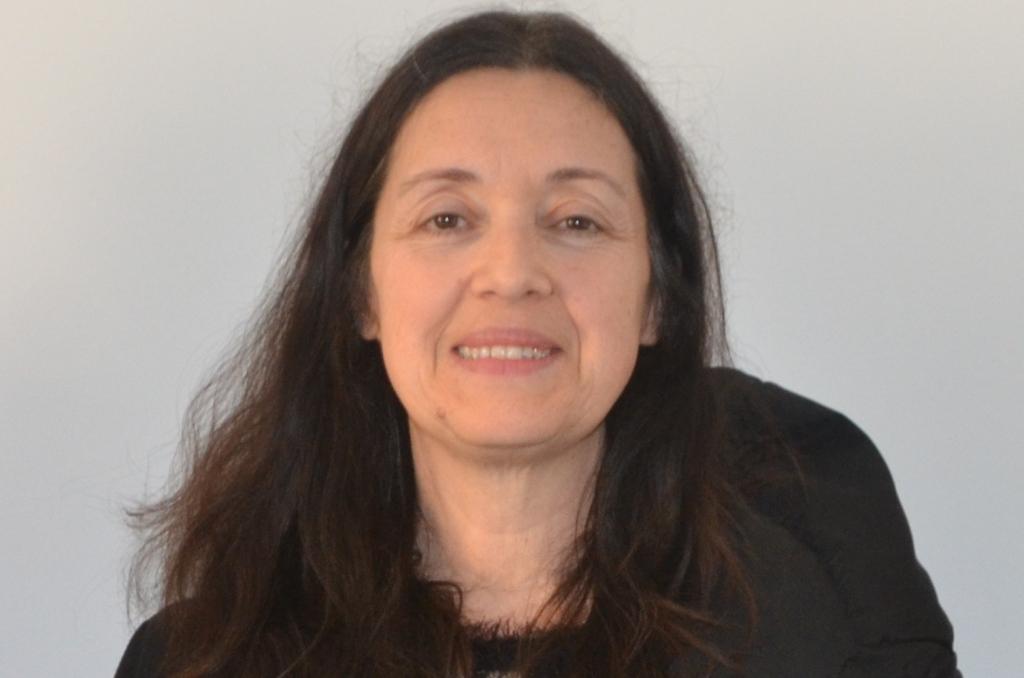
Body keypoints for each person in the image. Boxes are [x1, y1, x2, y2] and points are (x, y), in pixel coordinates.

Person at [115, 10, 959, 677]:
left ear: (657, 301)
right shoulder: (199, 660)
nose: (513, 273)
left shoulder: (827, 626)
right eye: (448, 219)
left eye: (577, 221)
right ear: (360, 293)